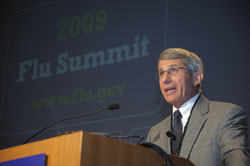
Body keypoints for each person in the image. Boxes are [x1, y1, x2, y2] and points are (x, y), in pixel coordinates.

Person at [146, 48, 250, 165]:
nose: (165, 79)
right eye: (161, 73)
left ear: (196, 77)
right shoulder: (154, 134)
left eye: (173, 70)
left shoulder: (226, 116)